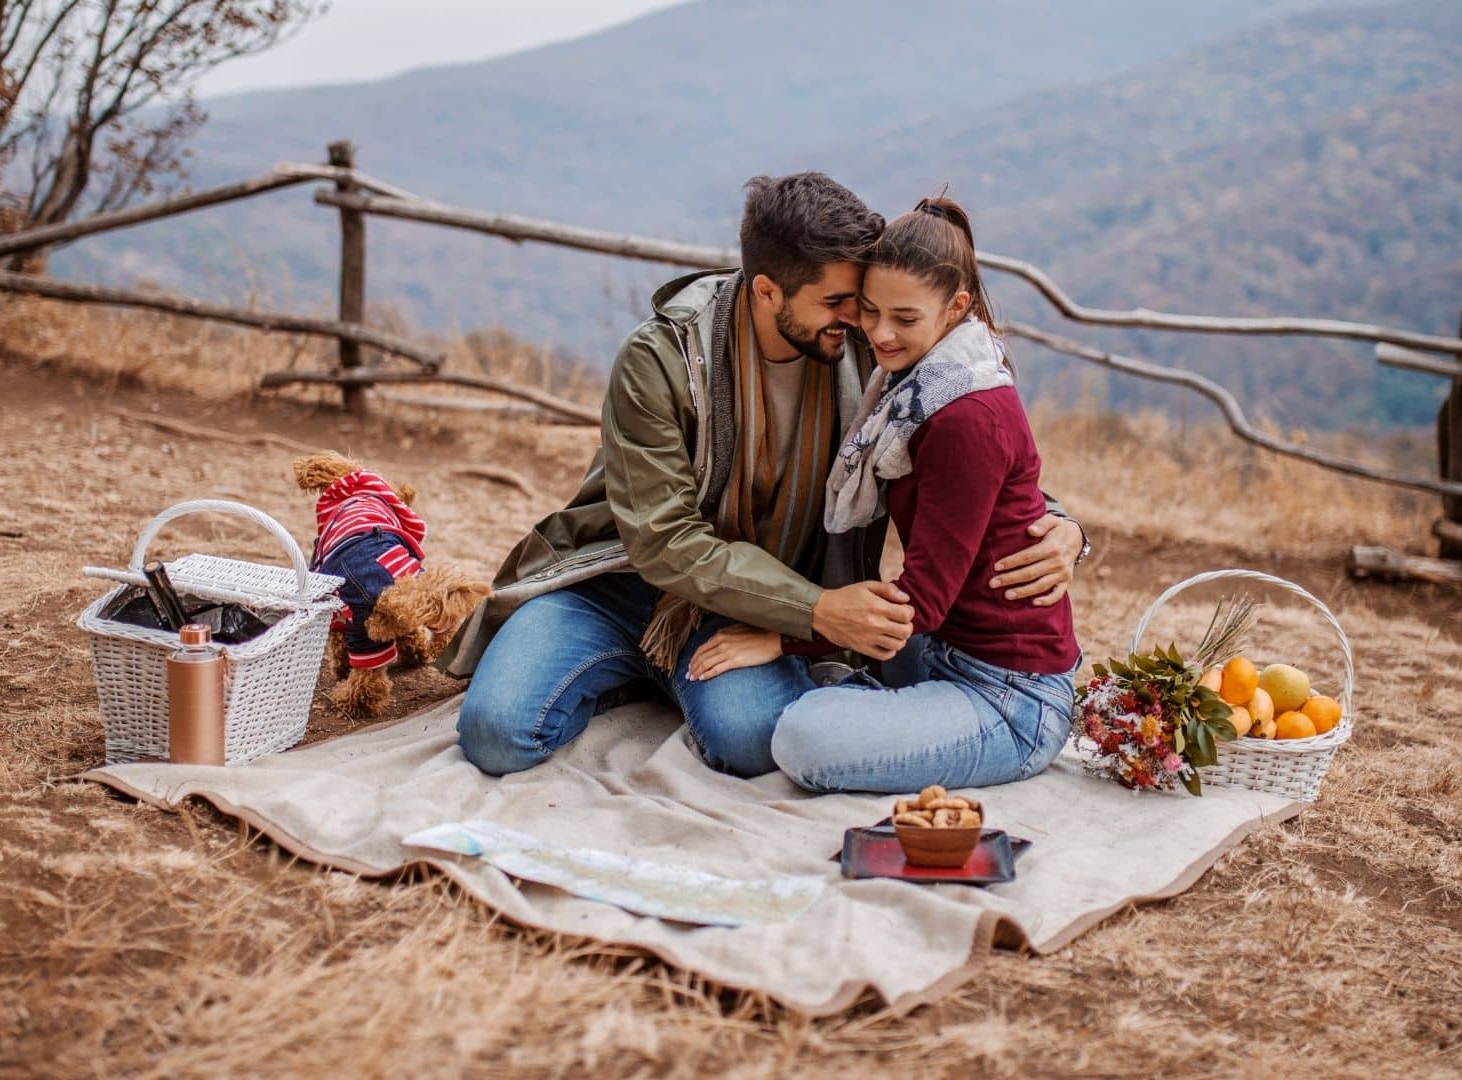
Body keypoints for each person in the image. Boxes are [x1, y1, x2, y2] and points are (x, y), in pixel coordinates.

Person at [443, 175, 1087, 779]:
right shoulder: (660, 360)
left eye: (859, 301)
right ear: (767, 290)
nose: (859, 320)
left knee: (754, 742)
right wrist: (817, 612)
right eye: (837, 303)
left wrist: (1060, 524)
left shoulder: (870, 345)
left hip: (748, 602)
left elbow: (971, 448)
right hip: (619, 586)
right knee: (498, 735)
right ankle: (633, 668)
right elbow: (664, 541)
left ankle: (678, 678)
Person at [686, 197, 1083, 793]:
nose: (879, 333)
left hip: (1008, 695)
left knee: (801, 739)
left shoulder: (963, 411)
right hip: (937, 651)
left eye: (903, 317)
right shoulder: (916, 385)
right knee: (795, 718)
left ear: (956, 308)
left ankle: (881, 712)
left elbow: (920, 603)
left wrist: (782, 635)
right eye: (869, 311)